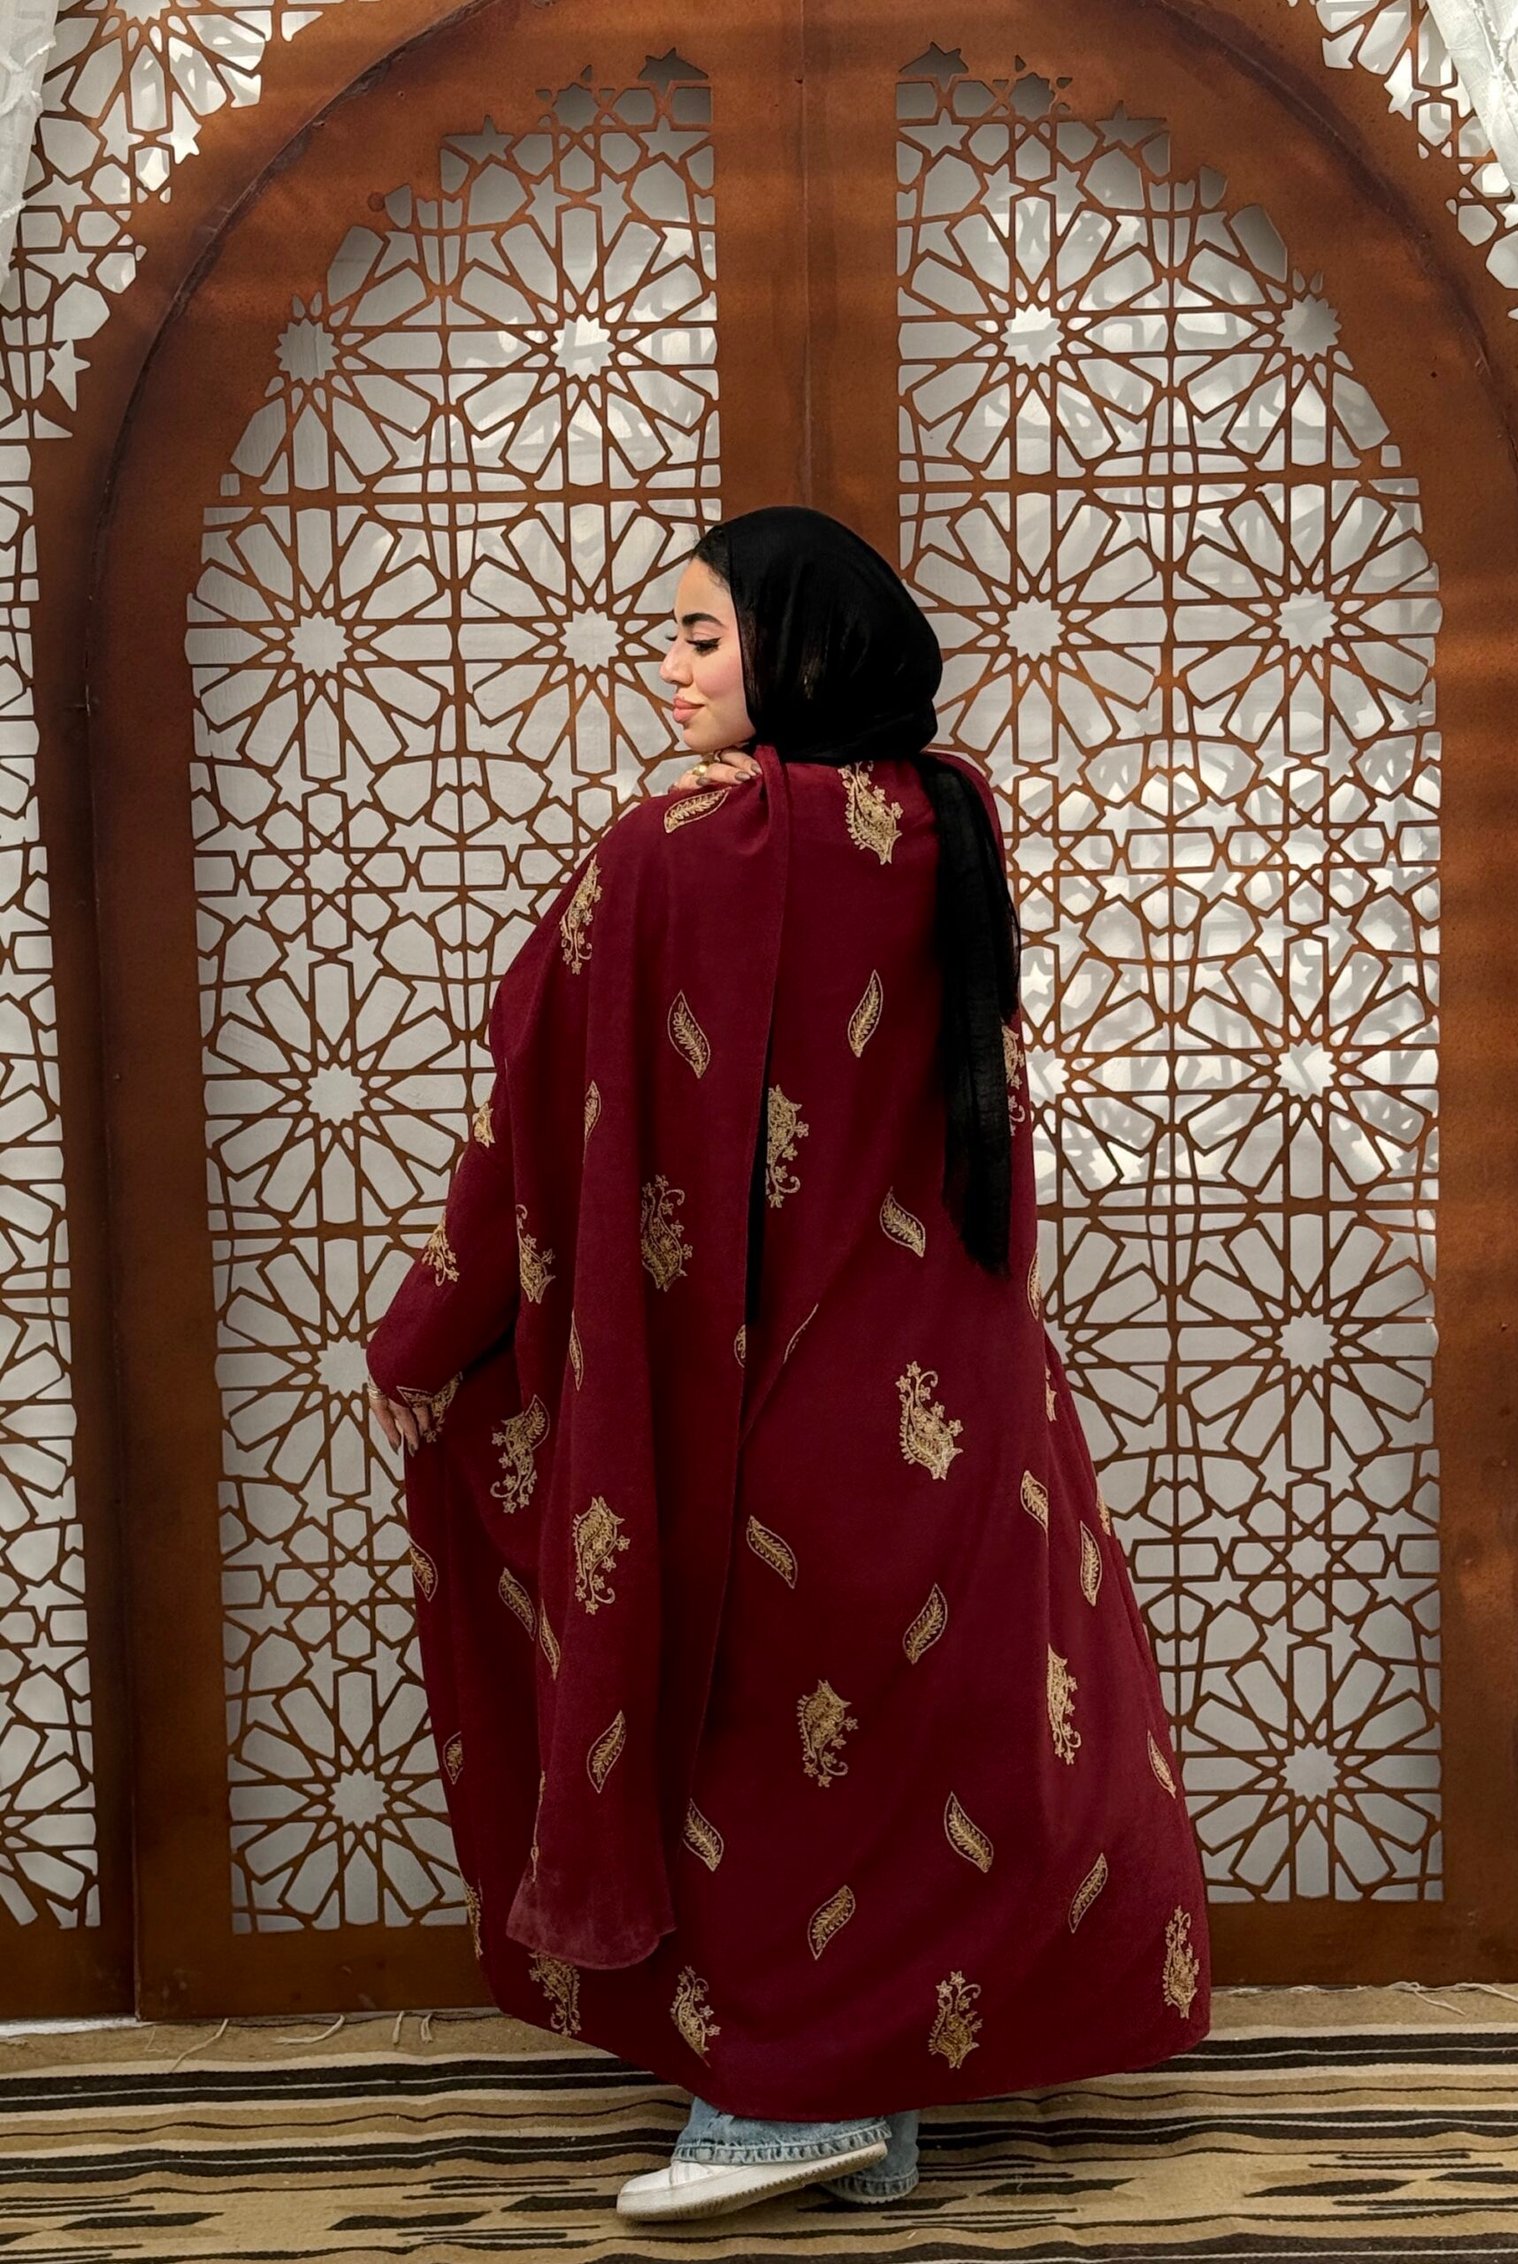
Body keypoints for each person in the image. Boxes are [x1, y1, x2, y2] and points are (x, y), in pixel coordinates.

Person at [365, 506, 1211, 2223]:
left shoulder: (687, 843)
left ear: (799, 648)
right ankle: (870, 2099)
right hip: (967, 1382)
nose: (667, 668)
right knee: (904, 1743)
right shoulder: (949, 814)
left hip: (773, 1388)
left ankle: (780, 2097)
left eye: (701, 634)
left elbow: (536, 1119)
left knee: (761, 1738)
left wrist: (428, 1336)